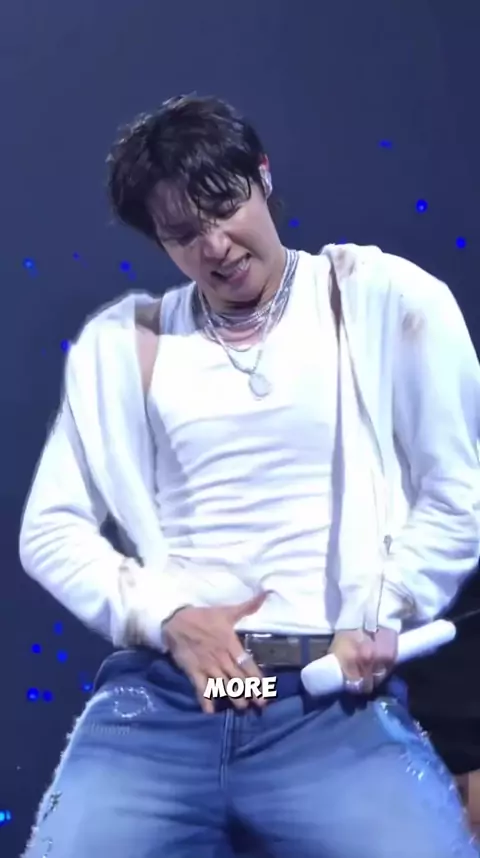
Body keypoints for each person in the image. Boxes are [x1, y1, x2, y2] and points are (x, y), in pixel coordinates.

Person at [19, 93, 480, 857]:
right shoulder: (127, 344)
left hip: (327, 704)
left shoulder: (382, 298)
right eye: (183, 233)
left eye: (224, 207)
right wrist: (166, 614)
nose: (215, 245)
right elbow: (49, 529)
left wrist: (387, 604)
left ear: (262, 176)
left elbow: (457, 493)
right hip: (160, 703)